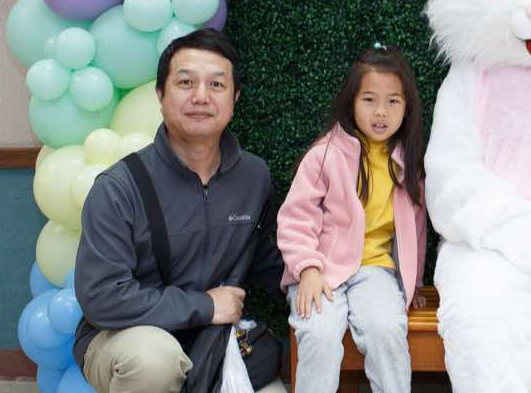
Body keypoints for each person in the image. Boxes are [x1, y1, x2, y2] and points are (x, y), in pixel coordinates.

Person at [73, 28, 286, 393]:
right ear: (160, 94)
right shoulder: (119, 187)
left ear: (234, 97)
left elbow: (267, 260)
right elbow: (103, 296)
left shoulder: (253, 176)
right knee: (156, 361)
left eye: (216, 85)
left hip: (213, 339)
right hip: (125, 337)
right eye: (186, 82)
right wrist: (204, 306)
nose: (201, 96)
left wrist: (324, 277)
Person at [278, 43, 427, 393]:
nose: (381, 112)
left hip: (376, 270)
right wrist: (308, 270)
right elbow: (297, 218)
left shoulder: (407, 164)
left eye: (393, 101)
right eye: (369, 100)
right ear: (351, 102)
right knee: (319, 333)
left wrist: (415, 281)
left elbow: (416, 232)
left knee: (386, 329)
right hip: (321, 270)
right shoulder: (325, 154)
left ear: (407, 107)